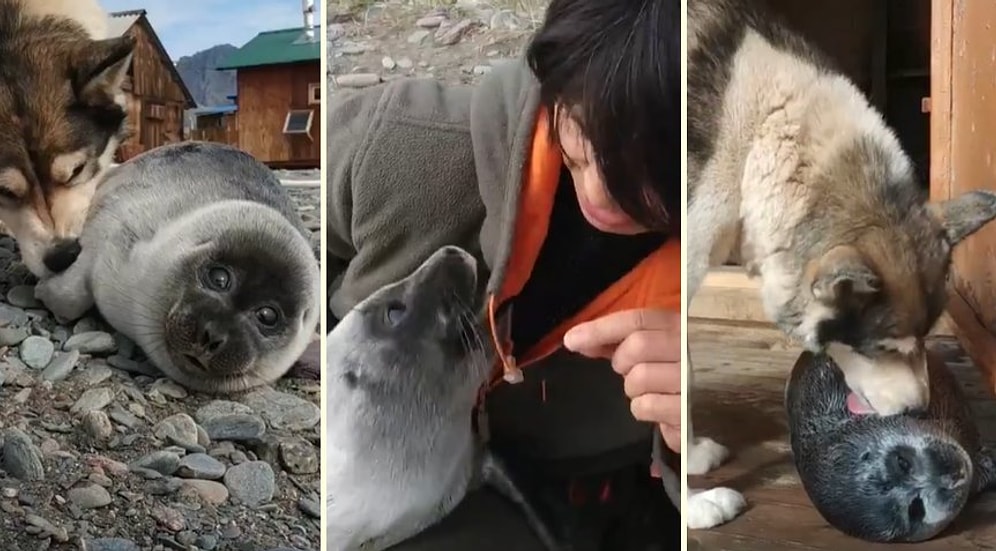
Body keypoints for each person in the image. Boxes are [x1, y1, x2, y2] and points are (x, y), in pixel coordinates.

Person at [327, 0, 680, 548]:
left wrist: (688, 440)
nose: (603, 197)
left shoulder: (709, 289)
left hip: (526, 498)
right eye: (585, 141)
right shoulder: (402, 147)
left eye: (653, 183)